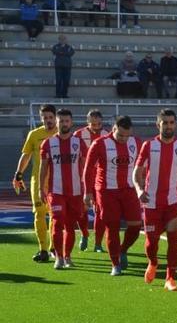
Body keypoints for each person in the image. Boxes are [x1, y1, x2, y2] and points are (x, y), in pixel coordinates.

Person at [133, 109, 177, 291]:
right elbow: (137, 171)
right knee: (151, 243)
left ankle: (170, 278)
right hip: (151, 202)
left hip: (172, 201)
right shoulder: (148, 146)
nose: (168, 126)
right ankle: (153, 262)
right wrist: (140, 189)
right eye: (165, 123)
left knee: (174, 240)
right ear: (158, 124)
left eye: (171, 122)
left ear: (176, 124)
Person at [83, 115, 144, 276]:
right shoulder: (100, 144)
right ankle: (115, 264)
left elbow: (143, 165)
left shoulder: (136, 142)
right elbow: (88, 169)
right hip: (106, 191)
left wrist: (143, 185)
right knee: (113, 227)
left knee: (136, 225)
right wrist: (87, 192)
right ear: (113, 129)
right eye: (120, 135)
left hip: (129, 190)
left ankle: (123, 249)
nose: (124, 139)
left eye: (127, 135)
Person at [38, 108, 88, 270]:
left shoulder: (79, 143)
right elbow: (43, 167)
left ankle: (67, 256)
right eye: (61, 121)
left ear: (71, 122)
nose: (64, 124)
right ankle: (58, 257)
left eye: (67, 121)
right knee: (57, 222)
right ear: (57, 123)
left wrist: (87, 188)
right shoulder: (48, 143)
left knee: (70, 225)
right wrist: (40, 188)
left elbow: (85, 166)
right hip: (56, 191)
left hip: (75, 192)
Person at [13, 104, 57, 263]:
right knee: (39, 213)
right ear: (41, 118)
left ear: (55, 117)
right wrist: (18, 174)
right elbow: (26, 156)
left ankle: (54, 247)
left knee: (55, 215)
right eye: (45, 117)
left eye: (51, 117)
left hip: (57, 181)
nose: (48, 120)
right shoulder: (34, 134)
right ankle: (43, 249)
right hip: (37, 180)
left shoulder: (61, 134)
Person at [73, 109, 108, 252]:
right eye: (93, 124)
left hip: (101, 179)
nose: (96, 127)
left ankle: (98, 244)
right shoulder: (78, 135)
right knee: (81, 210)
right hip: (82, 179)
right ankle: (85, 234)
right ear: (88, 122)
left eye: (99, 123)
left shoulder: (107, 135)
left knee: (100, 212)